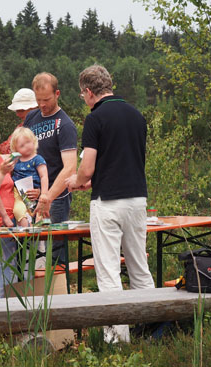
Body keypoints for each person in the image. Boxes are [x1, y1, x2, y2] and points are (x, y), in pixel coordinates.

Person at [66, 64, 155, 343]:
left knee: (108, 272)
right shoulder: (137, 116)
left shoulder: (95, 119)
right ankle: (152, 329)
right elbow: (123, 159)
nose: (84, 99)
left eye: (83, 95)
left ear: (89, 92)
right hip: (137, 199)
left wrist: (76, 180)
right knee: (139, 268)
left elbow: (88, 167)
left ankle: (117, 341)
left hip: (107, 203)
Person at [24, 72, 77, 263]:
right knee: (28, 249)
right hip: (31, 193)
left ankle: (59, 289)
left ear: (57, 94)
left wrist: (48, 196)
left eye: (46, 99)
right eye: (38, 100)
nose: (42, 105)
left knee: (55, 250)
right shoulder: (31, 118)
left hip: (56, 197)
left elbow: (70, 168)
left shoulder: (65, 125)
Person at [10, 127, 49, 215]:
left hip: (33, 192)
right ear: (16, 149)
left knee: (37, 214)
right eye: (22, 146)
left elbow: (44, 176)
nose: (26, 146)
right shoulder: (16, 160)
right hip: (18, 193)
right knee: (20, 212)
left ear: (34, 141)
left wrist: (44, 193)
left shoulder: (37, 159)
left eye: (28, 142)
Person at [0, 88, 38, 154]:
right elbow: (6, 147)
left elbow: (9, 148)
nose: (18, 114)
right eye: (17, 110)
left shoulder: (44, 126)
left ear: (35, 108)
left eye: (22, 110)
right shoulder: (21, 126)